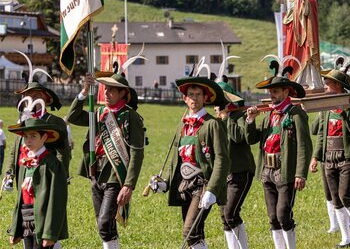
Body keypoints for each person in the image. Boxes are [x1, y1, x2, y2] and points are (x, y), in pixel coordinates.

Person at [67, 72, 145, 249]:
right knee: (104, 225)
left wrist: (129, 185)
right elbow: (72, 116)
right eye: (106, 89)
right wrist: (85, 91)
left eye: (111, 90)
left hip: (115, 175)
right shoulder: (99, 112)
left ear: (123, 93)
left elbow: (137, 152)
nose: (107, 93)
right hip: (96, 172)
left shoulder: (130, 116)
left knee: (104, 222)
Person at [158, 75, 230, 249]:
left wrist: (212, 190)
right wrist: (165, 182)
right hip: (184, 185)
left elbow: (222, 160)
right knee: (196, 233)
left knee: (189, 231)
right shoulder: (182, 125)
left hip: (202, 185)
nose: (195, 98)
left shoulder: (212, 124)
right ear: (185, 98)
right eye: (191, 94)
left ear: (205, 98)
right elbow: (177, 159)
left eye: (199, 94)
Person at [245, 64, 312, 249]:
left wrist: (300, 174)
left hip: (286, 171)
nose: (272, 94)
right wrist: (250, 121)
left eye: (275, 91)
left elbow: (304, 146)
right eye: (270, 91)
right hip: (267, 172)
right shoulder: (268, 115)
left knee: (283, 214)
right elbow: (251, 139)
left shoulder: (296, 114)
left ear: (286, 91)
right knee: (273, 217)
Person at [310, 64, 350, 248]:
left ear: (339, 86)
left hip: (348, 157)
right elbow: (319, 134)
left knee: (345, 196)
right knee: (336, 199)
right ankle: (346, 237)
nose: (325, 86)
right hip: (329, 158)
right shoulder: (326, 109)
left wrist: (343, 108)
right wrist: (315, 157)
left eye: (329, 83)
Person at [7, 117, 68, 249]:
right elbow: (20, 200)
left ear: (44, 137)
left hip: (43, 220)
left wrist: (49, 233)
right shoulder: (24, 163)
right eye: (26, 136)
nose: (28, 140)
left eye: (33, 136)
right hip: (26, 218)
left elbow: (56, 201)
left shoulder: (53, 165)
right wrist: (15, 228)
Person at [214, 80, 255, 249]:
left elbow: (238, 137)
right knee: (225, 216)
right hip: (224, 174)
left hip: (241, 171)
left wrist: (226, 117)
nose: (217, 106)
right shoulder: (214, 120)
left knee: (231, 213)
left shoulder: (239, 116)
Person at [268, 0, 321, 87]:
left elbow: (312, 1)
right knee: (292, 53)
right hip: (291, 26)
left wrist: (305, 3)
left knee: (305, 52)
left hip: (302, 26)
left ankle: (308, 81)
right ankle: (296, 80)